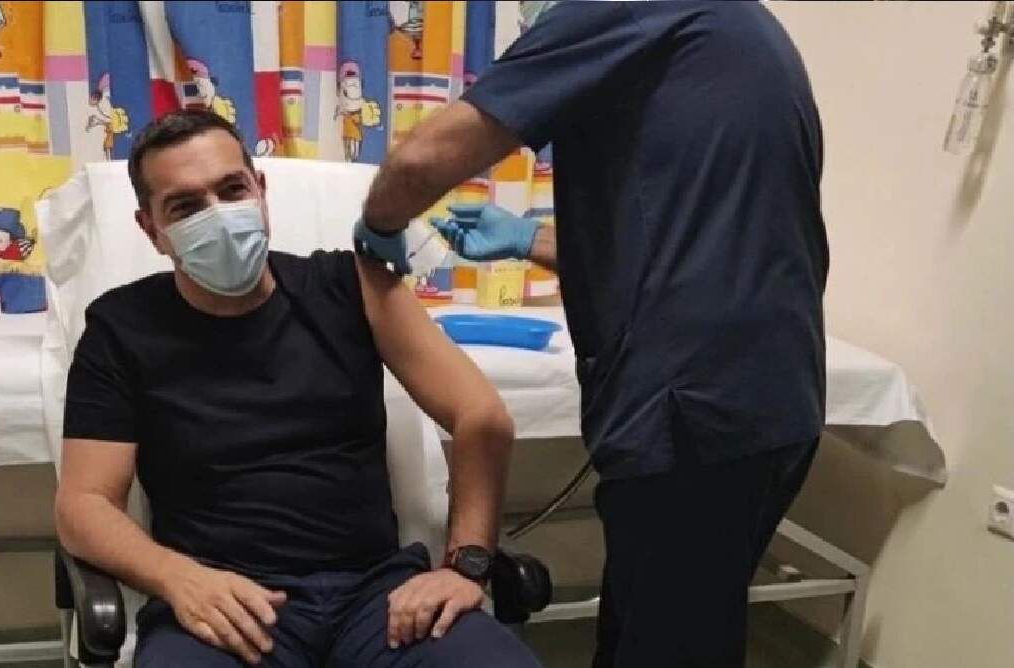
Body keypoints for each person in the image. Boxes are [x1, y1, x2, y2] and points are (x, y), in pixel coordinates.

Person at [353, 2, 829, 666]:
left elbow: (424, 159)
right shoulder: (735, 25)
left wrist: (377, 222)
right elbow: (686, 240)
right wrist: (530, 239)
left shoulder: (620, 7)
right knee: (675, 629)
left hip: (692, 410)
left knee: (665, 645)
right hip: (772, 399)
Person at [54, 109, 542, 668]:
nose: (218, 215)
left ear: (260, 192)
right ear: (152, 230)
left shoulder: (353, 285)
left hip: (379, 602)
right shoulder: (121, 328)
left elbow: (481, 416)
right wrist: (177, 578)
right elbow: (84, 505)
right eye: (185, 207)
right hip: (224, 606)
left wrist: (466, 566)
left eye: (232, 190)